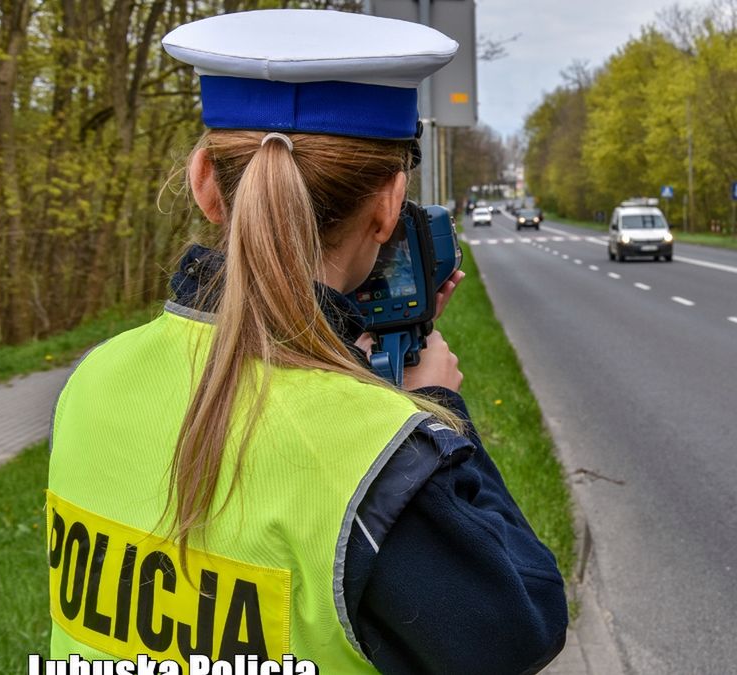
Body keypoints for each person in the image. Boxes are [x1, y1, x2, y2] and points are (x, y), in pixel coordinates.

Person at [44, 9, 567, 674]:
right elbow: (522, 627)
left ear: (206, 183)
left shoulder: (90, 380)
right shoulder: (382, 462)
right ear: (388, 206)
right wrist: (437, 406)